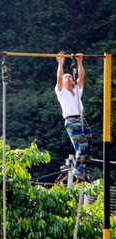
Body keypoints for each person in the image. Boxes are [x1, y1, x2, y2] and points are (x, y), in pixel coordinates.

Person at [55, 51, 92, 183]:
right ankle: (78, 171)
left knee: (88, 143)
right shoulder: (61, 92)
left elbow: (81, 78)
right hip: (71, 120)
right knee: (81, 146)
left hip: (81, 119)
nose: (68, 78)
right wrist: (60, 64)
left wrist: (80, 62)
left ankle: (86, 172)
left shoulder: (76, 90)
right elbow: (59, 79)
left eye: (70, 76)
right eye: (66, 77)